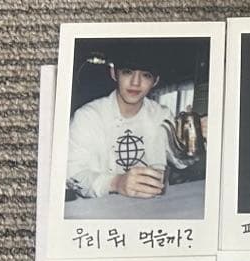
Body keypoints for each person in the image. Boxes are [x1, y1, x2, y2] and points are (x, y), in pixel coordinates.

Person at [66, 40, 195, 199]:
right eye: (127, 72)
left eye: (146, 75)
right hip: (100, 207)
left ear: (155, 81)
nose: (135, 82)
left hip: (152, 205)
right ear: (114, 73)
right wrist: (116, 183)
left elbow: (179, 161)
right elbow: (71, 174)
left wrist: (195, 139)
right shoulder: (87, 117)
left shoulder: (161, 115)